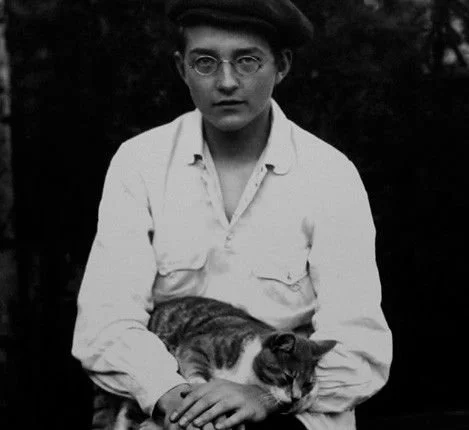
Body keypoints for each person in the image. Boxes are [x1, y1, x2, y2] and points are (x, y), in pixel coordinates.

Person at [72, 1, 392, 429]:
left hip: (289, 415)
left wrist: (262, 396)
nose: (226, 82)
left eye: (247, 61)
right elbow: (104, 324)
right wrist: (180, 400)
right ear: (182, 68)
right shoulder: (139, 164)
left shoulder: (331, 175)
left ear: (282, 65)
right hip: (167, 407)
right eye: (205, 62)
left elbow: (362, 347)